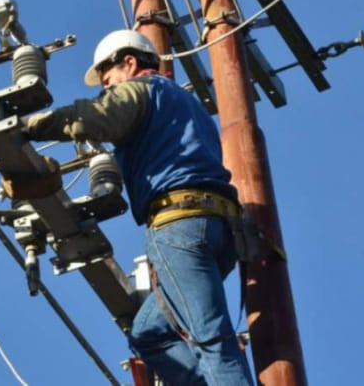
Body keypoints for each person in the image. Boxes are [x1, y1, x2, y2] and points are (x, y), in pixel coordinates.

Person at [23, 30, 253, 385]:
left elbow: (95, 117)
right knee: (149, 333)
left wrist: (27, 127)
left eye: (107, 79)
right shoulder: (187, 104)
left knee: (212, 340)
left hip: (179, 226)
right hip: (218, 229)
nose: (105, 88)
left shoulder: (141, 90)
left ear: (129, 62)